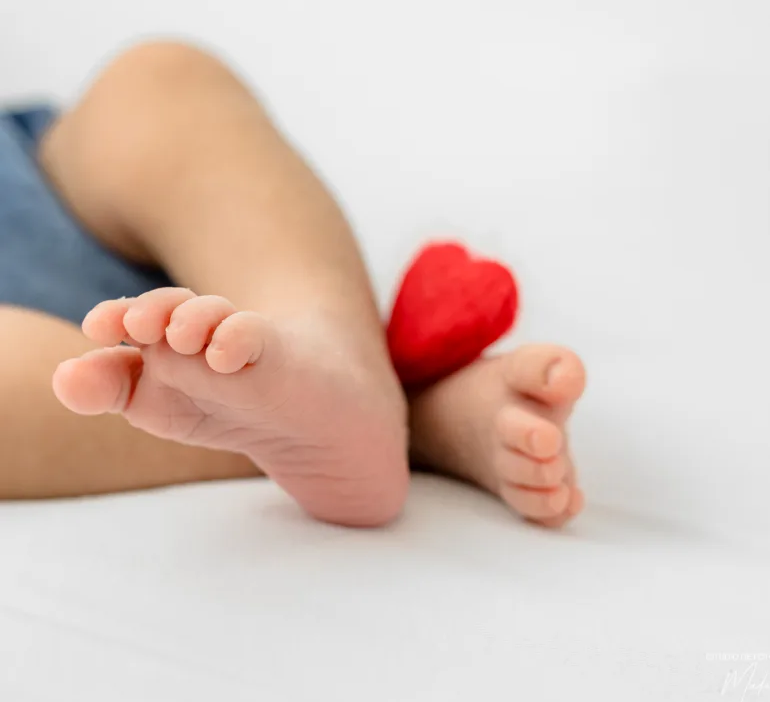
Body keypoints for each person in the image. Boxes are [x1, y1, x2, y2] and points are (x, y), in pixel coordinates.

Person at [0, 41, 586, 528]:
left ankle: (327, 349)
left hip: (44, 180)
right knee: (82, 386)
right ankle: (359, 418)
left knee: (155, 82)